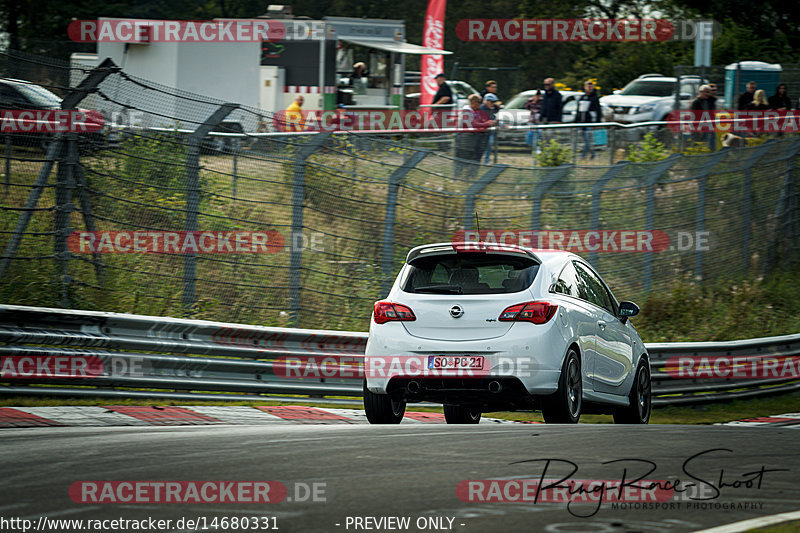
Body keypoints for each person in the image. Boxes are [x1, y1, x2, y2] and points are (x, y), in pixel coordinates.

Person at [455, 94, 494, 178]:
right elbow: (472, 124)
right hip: (464, 139)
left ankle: (470, 177)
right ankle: (458, 177)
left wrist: (488, 122)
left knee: (474, 158)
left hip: (473, 139)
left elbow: (480, 122)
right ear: (473, 102)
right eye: (479, 103)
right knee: (463, 159)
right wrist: (487, 124)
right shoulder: (467, 111)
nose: (481, 105)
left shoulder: (476, 112)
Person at [574, 80, 601, 159]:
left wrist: (597, 123)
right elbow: (578, 110)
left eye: (591, 86)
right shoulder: (582, 97)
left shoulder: (595, 97)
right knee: (585, 139)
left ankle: (585, 155)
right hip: (582, 121)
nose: (589, 88)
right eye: (588, 86)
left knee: (587, 138)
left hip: (590, 121)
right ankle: (590, 154)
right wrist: (576, 120)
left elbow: (598, 111)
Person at [480, 93, 501, 164]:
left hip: (490, 130)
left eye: (494, 102)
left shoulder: (493, 108)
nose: (493, 104)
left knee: (489, 144)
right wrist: (490, 122)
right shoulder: (481, 108)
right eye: (491, 102)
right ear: (486, 101)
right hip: (482, 131)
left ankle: (486, 161)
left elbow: (496, 112)